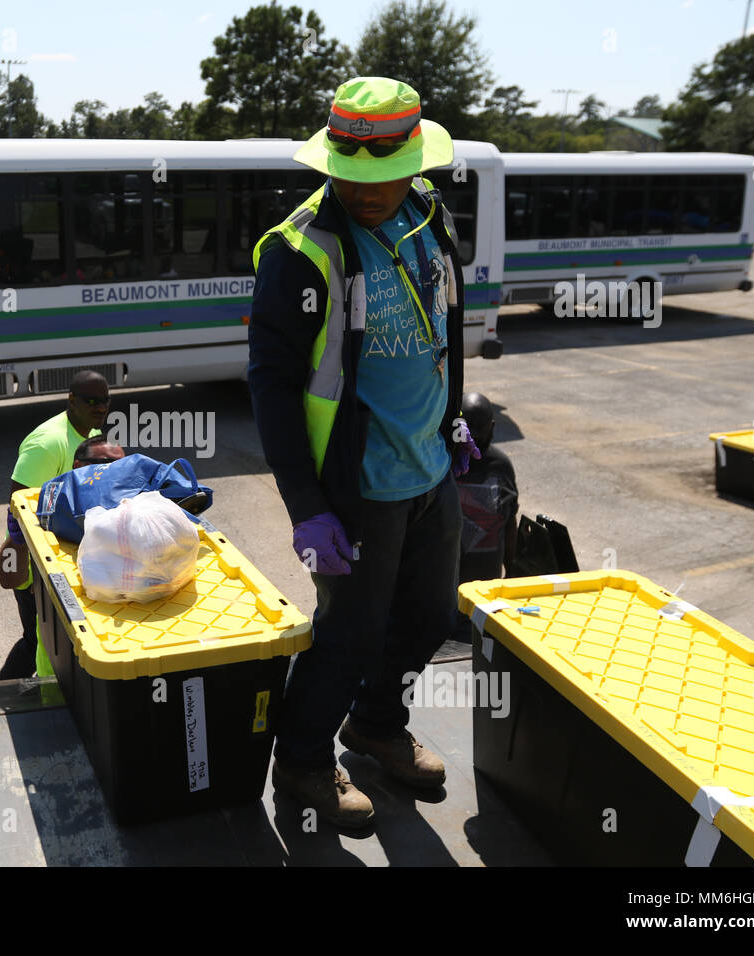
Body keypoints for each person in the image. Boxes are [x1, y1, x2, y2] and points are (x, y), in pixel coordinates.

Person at [248, 77, 480, 828]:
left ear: (414, 162)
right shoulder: (299, 252)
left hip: (429, 471)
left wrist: (452, 417)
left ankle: (377, 725)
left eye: (383, 174)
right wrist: (307, 507)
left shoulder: (428, 218)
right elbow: (273, 386)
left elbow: (445, 328)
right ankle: (306, 765)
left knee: (429, 619)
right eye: (349, 172)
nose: (365, 189)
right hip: (357, 490)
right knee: (347, 635)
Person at [0, 371, 111, 681]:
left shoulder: (91, 430)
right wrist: (34, 575)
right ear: (72, 400)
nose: (100, 407)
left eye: (105, 400)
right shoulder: (48, 444)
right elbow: (19, 505)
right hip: (33, 565)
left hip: (61, 558)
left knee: (53, 640)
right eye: (92, 401)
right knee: (37, 639)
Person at [455, 392, 519, 584]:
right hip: (444, 589)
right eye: (468, 427)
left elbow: (509, 523)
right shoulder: (441, 462)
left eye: (479, 427)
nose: (473, 435)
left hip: (488, 589)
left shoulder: (500, 466)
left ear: (491, 427)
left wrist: (511, 571)